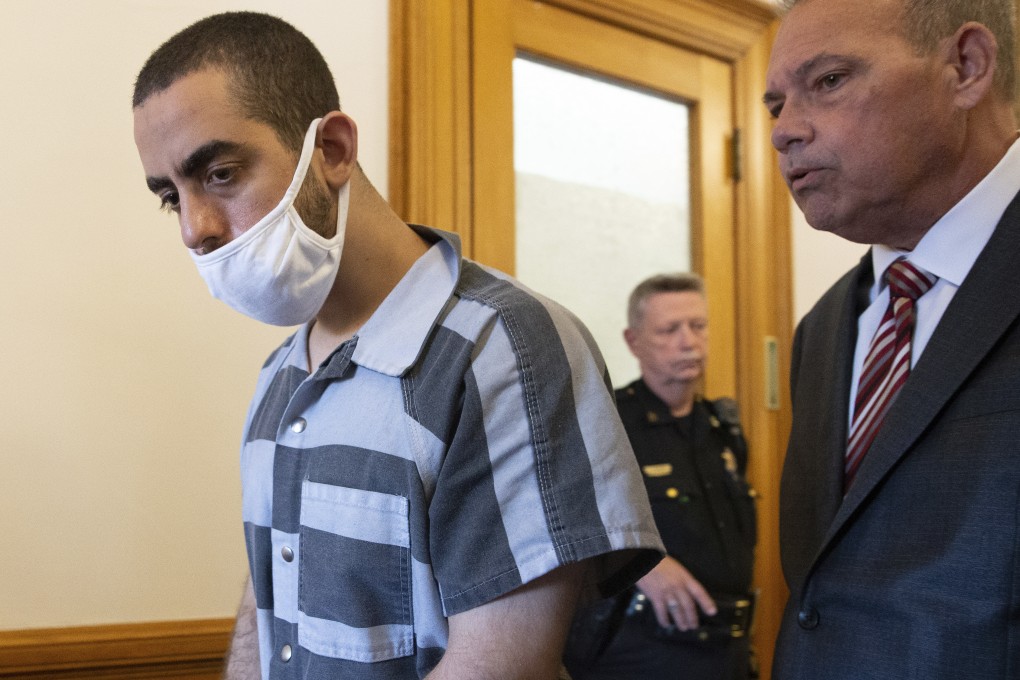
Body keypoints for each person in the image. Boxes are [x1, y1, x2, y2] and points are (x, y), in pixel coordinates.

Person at [131, 11, 664, 679]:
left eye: (220, 173)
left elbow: (503, 665)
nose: (194, 229)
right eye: (169, 197)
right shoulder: (279, 377)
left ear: (331, 151)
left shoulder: (501, 351)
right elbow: (270, 606)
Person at [764, 0, 1020, 677]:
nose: (784, 132)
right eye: (774, 105)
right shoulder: (822, 330)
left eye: (829, 81)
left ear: (966, 66)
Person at [565, 273, 757, 680]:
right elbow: (567, 518)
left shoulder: (723, 427)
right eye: (670, 330)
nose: (688, 342)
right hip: (643, 649)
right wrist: (641, 563)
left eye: (697, 326)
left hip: (728, 647)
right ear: (633, 341)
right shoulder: (609, 422)